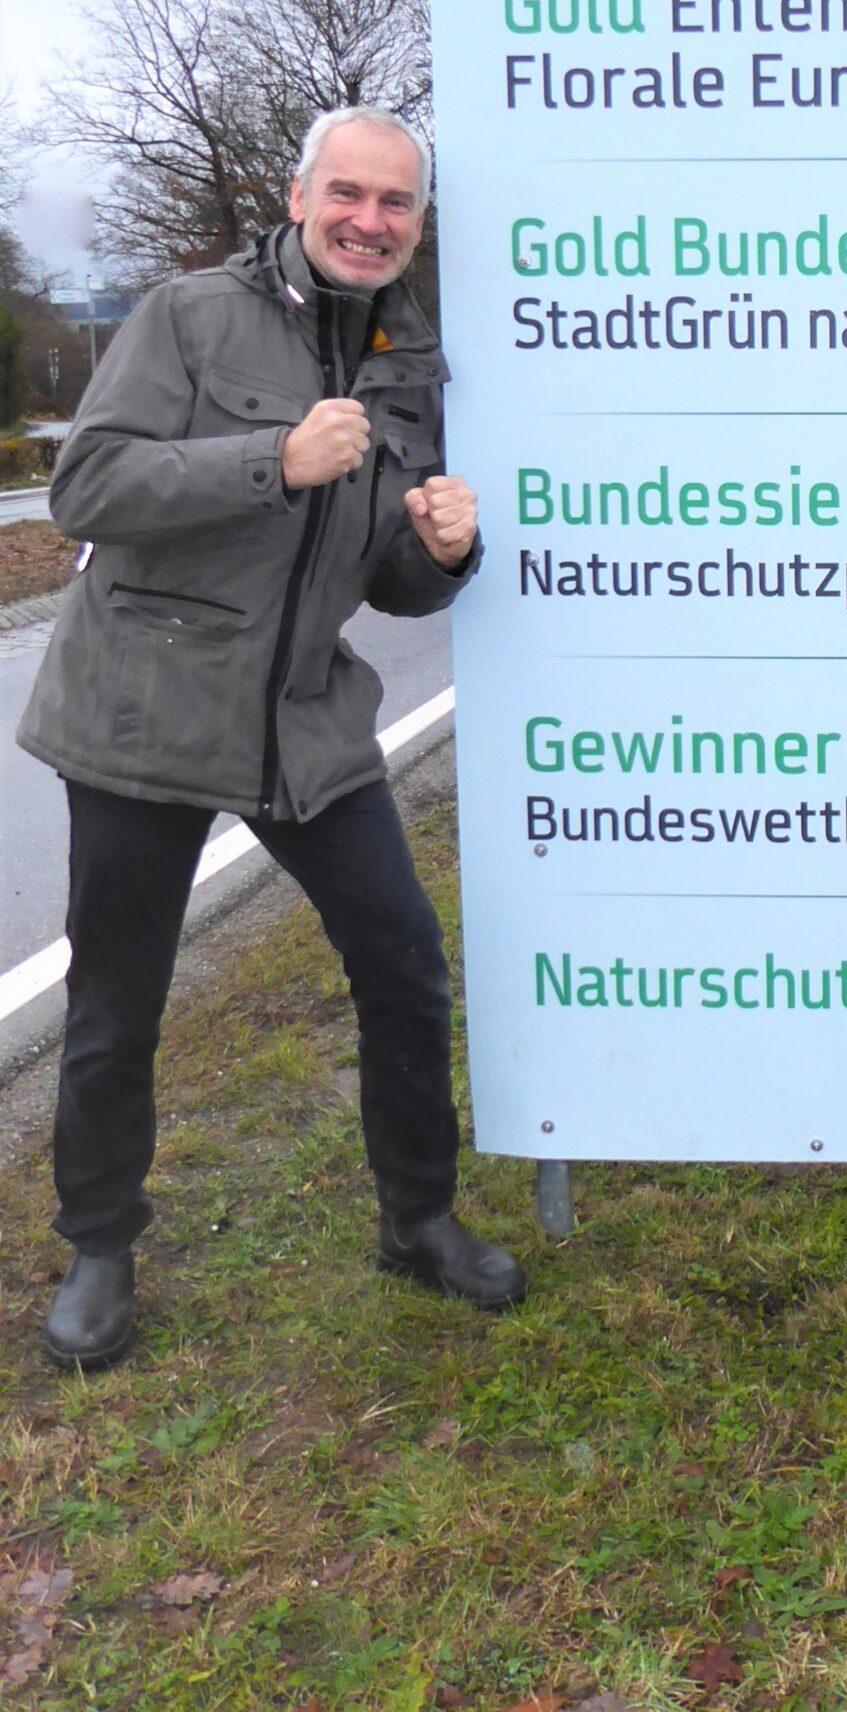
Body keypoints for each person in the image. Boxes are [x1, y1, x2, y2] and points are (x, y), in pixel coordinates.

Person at [19, 107, 525, 1365]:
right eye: (347, 192)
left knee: (405, 962)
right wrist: (272, 459)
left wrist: (444, 552)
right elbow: (87, 487)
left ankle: (417, 1219)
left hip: (304, 713)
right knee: (117, 999)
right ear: (300, 198)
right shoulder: (190, 314)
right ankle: (100, 1248)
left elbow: (392, 582)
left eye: (395, 202)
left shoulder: (415, 362)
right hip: (146, 701)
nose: (368, 220)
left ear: (418, 223)